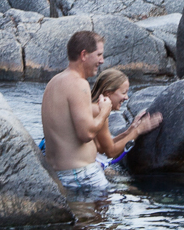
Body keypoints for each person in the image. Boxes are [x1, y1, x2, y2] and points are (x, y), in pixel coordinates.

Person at [41, 31, 161, 197]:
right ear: (84, 55)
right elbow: (86, 134)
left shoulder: (54, 82)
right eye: (99, 54)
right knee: (109, 220)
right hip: (81, 175)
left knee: (86, 222)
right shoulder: (79, 84)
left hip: (60, 174)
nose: (102, 60)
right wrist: (105, 111)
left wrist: (129, 130)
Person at [87, 68, 139, 161]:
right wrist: (138, 130)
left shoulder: (92, 106)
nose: (126, 97)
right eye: (123, 93)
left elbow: (100, 147)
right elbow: (111, 152)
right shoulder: (99, 111)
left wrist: (127, 133)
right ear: (108, 93)